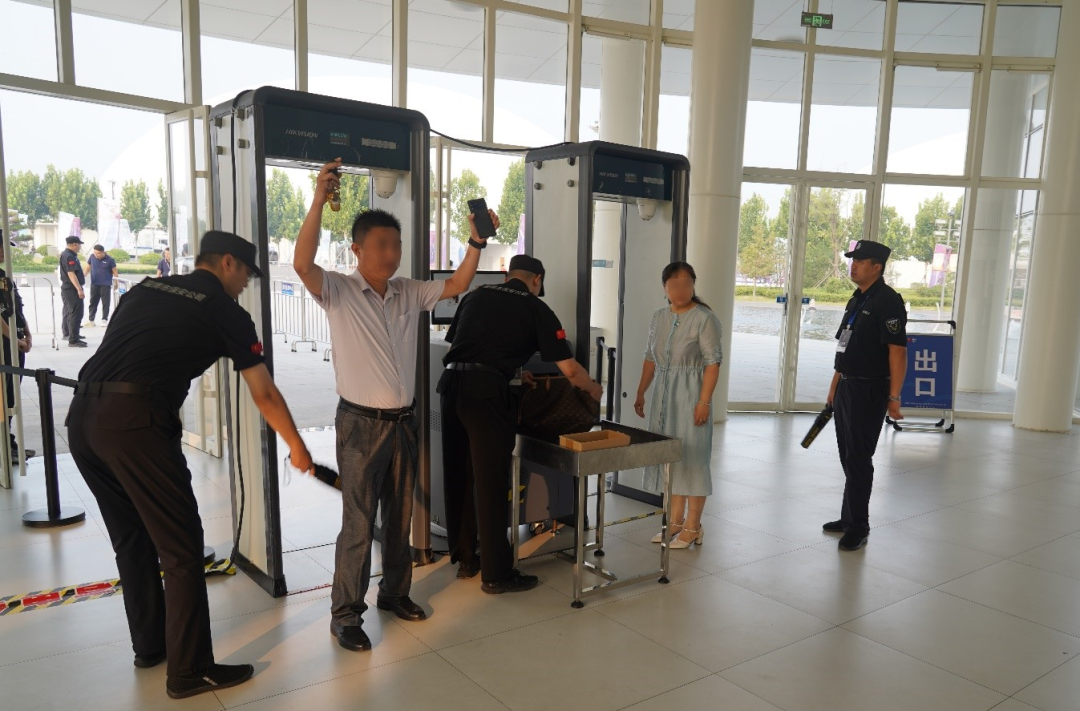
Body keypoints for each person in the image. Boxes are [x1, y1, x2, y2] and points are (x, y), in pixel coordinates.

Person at [67, 231, 315, 700]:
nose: (245, 284)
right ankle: (190, 670)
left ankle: (150, 647)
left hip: (82, 419)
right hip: (135, 423)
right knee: (181, 548)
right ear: (227, 263)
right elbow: (263, 391)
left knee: (132, 539)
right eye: (246, 274)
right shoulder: (225, 310)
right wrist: (296, 445)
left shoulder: (145, 288)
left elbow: (131, 351)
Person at [293, 159, 486, 652]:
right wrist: (317, 201)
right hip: (360, 425)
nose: (392, 253)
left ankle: (394, 593)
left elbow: (457, 285)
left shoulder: (408, 292)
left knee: (399, 518)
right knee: (359, 523)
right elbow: (302, 265)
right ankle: (345, 615)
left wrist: (476, 242)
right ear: (357, 249)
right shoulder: (339, 290)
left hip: (404, 423)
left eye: (396, 245)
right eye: (381, 244)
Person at [439, 254, 602, 591]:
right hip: (487, 397)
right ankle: (497, 574)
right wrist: (593, 388)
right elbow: (570, 370)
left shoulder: (475, 296)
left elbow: (469, 346)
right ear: (537, 280)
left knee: (460, 475)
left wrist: (512, 371)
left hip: (451, 387)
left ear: (507, 275)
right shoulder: (535, 307)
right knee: (492, 482)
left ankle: (467, 559)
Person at [822, 240, 907, 552]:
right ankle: (849, 517)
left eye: (860, 260)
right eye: (852, 260)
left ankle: (859, 526)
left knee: (859, 458)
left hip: (870, 389)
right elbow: (844, 346)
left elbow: (897, 352)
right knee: (848, 455)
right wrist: (834, 386)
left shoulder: (888, 301)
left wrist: (894, 397)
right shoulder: (857, 299)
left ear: (877, 267)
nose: (853, 265)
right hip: (847, 386)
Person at [634, 262, 722, 548]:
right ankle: (674, 521)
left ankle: (693, 526)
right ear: (665, 288)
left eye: (686, 284)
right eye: (674, 285)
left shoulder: (704, 319)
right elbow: (650, 357)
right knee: (669, 457)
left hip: (691, 394)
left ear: (694, 285)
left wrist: (704, 402)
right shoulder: (659, 317)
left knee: (693, 458)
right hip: (663, 396)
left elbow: (712, 363)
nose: (680, 290)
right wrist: (641, 391)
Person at [1, 256, 34, 463]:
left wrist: (27, 334)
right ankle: (4, 446)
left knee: (11, 395)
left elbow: (16, 309)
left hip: (15, 341)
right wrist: (14, 339)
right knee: (4, 397)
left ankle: (8, 443)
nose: (3, 251)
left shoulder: (5, 276)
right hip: (4, 344)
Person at [58, 235, 86, 347]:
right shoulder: (69, 256)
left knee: (72, 312)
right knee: (76, 313)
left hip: (68, 288)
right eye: (79, 245)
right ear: (74, 244)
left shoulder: (67, 254)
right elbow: (71, 273)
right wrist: (79, 289)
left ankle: (73, 335)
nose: (80, 247)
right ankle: (73, 340)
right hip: (71, 288)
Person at [84, 244, 118, 326]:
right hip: (94, 284)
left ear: (103, 252)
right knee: (93, 302)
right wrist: (84, 275)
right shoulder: (92, 257)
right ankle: (91, 320)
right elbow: (87, 267)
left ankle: (104, 319)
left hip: (105, 285)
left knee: (105, 303)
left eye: (98, 253)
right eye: (95, 253)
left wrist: (116, 283)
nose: (96, 255)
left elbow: (115, 272)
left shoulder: (110, 260)